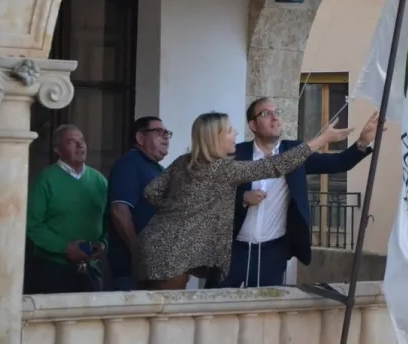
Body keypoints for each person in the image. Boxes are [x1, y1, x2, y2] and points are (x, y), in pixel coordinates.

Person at [135, 111, 353, 290]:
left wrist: (177, 215)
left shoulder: (184, 161)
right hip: (171, 256)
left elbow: (151, 192)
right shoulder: (222, 169)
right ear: (215, 138)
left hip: (151, 245)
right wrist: (322, 140)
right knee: (168, 323)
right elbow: (275, 166)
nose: (236, 133)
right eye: (230, 130)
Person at [211, 98, 377, 289]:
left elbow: (338, 163)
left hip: (273, 252)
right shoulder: (236, 154)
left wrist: (362, 142)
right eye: (266, 114)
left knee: (266, 305)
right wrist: (242, 197)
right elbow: (213, 195)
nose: (275, 118)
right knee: (217, 302)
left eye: (277, 112)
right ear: (252, 125)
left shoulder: (295, 152)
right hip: (232, 249)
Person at [25, 125, 108, 294]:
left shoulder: (98, 180)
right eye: (72, 142)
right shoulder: (45, 180)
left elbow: (109, 218)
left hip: (91, 267)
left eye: (82, 140)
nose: (80, 145)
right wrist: (64, 247)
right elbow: (32, 224)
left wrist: (103, 243)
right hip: (54, 267)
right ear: (58, 150)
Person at [107, 116, 170, 291]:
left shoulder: (158, 169)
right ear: (140, 138)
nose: (165, 136)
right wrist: (138, 252)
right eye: (159, 132)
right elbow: (119, 211)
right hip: (133, 271)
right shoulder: (130, 164)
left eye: (167, 133)